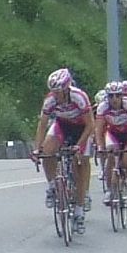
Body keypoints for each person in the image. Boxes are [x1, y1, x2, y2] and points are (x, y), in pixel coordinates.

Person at [30, 68, 94, 233]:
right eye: (53, 91)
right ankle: (53, 187)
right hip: (62, 126)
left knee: (80, 164)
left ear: (66, 89)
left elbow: (90, 125)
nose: (55, 95)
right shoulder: (50, 100)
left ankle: (79, 212)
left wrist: (79, 145)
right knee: (47, 152)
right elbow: (42, 125)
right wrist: (37, 149)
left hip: (81, 128)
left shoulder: (79, 97)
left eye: (58, 92)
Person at [95, 81, 127, 206]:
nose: (114, 99)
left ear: (122, 96)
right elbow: (98, 129)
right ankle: (109, 190)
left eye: (118, 95)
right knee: (110, 158)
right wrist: (100, 146)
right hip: (113, 134)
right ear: (107, 97)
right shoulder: (103, 107)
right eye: (111, 96)